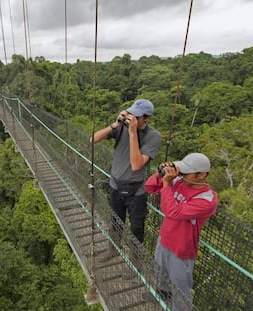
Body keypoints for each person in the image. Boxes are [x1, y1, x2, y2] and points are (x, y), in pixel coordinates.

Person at [143, 153, 218, 310]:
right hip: (165, 237)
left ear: (202, 175)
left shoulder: (207, 199)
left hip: (182, 248)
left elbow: (173, 212)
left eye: (185, 172)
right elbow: (149, 187)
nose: (181, 175)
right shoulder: (178, 180)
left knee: (180, 284)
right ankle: (162, 292)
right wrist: (160, 173)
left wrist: (167, 184)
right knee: (159, 269)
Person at [91, 99, 161, 261]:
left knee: (136, 228)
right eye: (130, 114)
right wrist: (114, 125)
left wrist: (132, 133)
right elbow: (93, 139)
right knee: (115, 220)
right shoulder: (121, 128)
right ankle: (113, 249)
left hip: (136, 190)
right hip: (115, 184)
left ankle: (135, 262)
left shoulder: (153, 136)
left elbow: (136, 165)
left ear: (146, 118)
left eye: (136, 116)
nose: (131, 118)